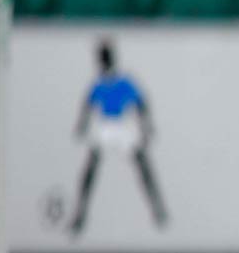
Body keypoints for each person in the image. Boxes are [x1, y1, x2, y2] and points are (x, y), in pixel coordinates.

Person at [70, 41, 168, 235]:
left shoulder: (124, 81)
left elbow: (141, 103)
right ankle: (80, 213)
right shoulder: (98, 84)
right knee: (90, 169)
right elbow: (87, 105)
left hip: (122, 125)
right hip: (106, 125)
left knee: (143, 166)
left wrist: (146, 125)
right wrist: (81, 125)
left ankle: (158, 209)